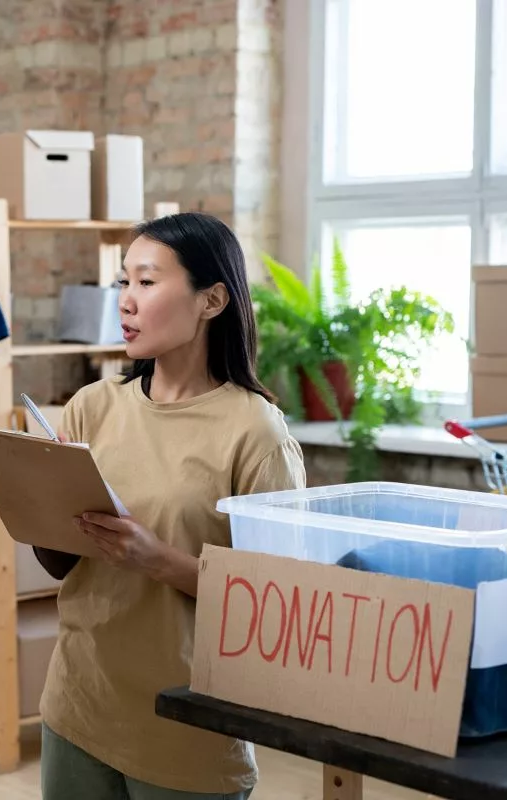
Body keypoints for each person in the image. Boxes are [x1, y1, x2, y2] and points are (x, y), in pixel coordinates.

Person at [33, 213, 306, 800]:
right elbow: (59, 562)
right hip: (78, 705)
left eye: (147, 282)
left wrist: (156, 558)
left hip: (189, 728)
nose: (125, 302)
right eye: (123, 282)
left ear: (212, 300)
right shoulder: (90, 407)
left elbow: (277, 605)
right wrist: (39, 494)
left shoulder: (256, 433)